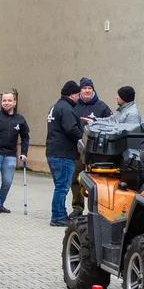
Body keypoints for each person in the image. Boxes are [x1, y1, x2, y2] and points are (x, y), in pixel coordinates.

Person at [0, 91, 29, 214]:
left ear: (14, 102)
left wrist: (24, 153)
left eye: (9, 100)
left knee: (7, 182)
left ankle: (0, 204)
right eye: (4, 100)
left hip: (10, 155)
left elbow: (25, 137)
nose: (6, 103)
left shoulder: (20, 119)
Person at [72, 78, 112, 215]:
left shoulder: (102, 107)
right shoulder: (74, 106)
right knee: (76, 180)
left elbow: (110, 126)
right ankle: (77, 208)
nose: (87, 90)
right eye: (84, 88)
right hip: (78, 151)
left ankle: (97, 210)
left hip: (96, 153)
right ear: (80, 91)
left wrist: (95, 123)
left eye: (90, 88)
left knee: (97, 183)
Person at [46, 80, 83, 227]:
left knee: (59, 186)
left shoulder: (55, 107)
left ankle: (60, 213)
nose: (79, 97)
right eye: (78, 94)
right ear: (73, 94)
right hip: (63, 153)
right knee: (62, 186)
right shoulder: (66, 108)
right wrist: (82, 138)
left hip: (53, 152)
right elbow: (72, 129)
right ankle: (57, 216)